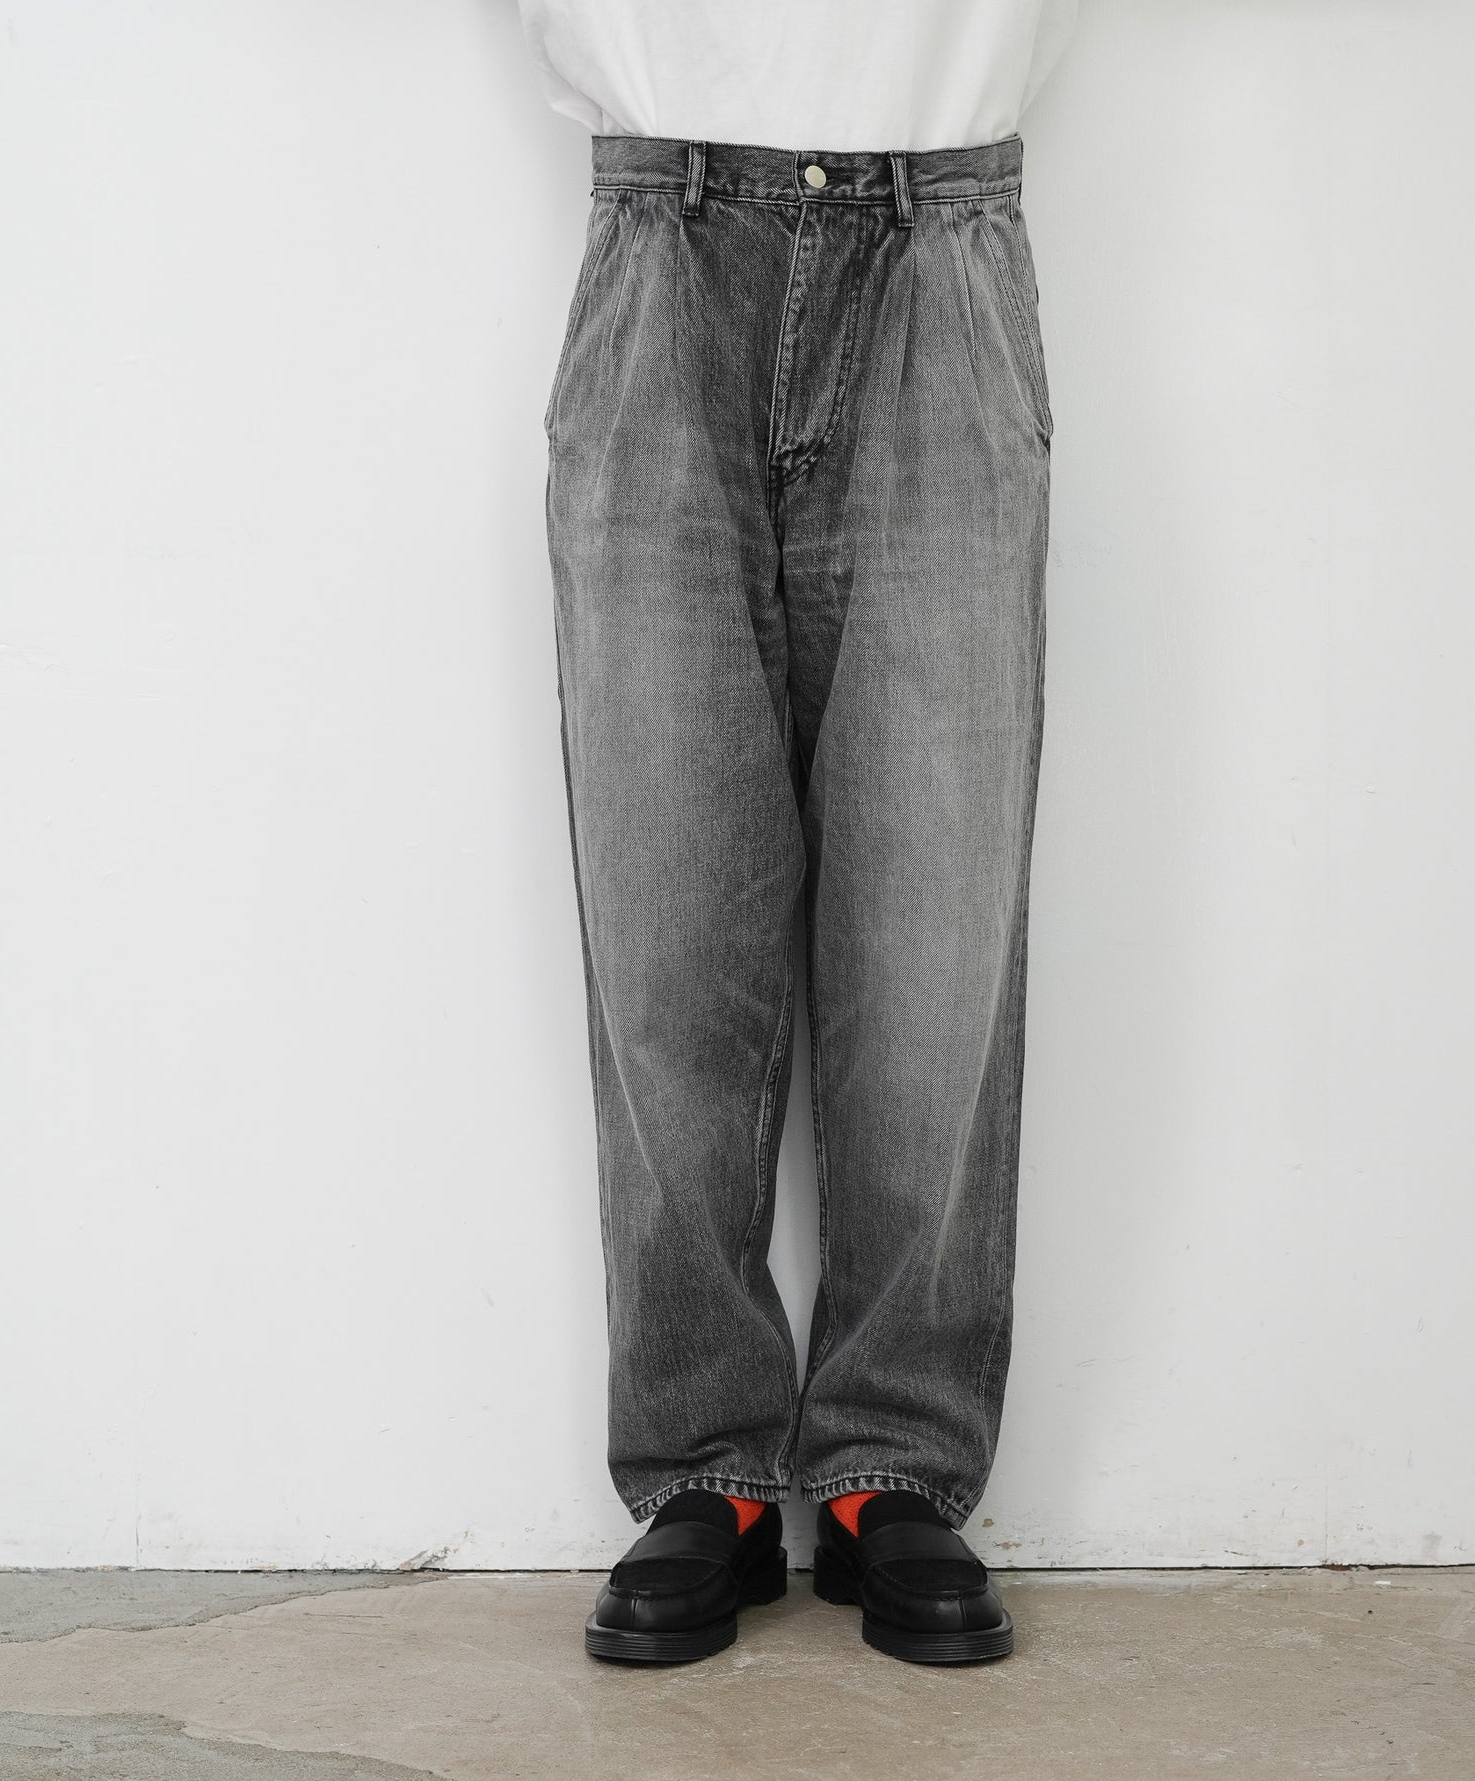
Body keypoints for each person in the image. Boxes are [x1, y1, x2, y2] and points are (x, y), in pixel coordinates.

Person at [518, 0, 1075, 1665]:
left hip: (942, 235)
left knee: (937, 914)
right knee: (665, 899)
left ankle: (896, 1455)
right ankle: (710, 1467)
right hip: (660, 234)